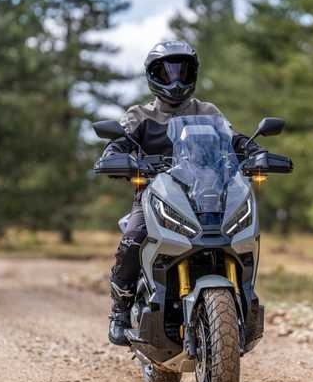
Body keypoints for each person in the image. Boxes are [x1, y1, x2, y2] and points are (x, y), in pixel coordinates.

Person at [100, 40, 264, 346]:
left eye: (182, 71)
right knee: (133, 237)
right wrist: (114, 157)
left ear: (193, 74)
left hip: (208, 195)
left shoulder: (208, 112)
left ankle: (242, 303)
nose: (175, 80)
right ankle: (120, 309)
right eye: (167, 72)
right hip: (156, 195)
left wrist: (256, 152)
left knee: (240, 235)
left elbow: (235, 140)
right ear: (153, 76)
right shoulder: (139, 115)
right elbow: (117, 144)